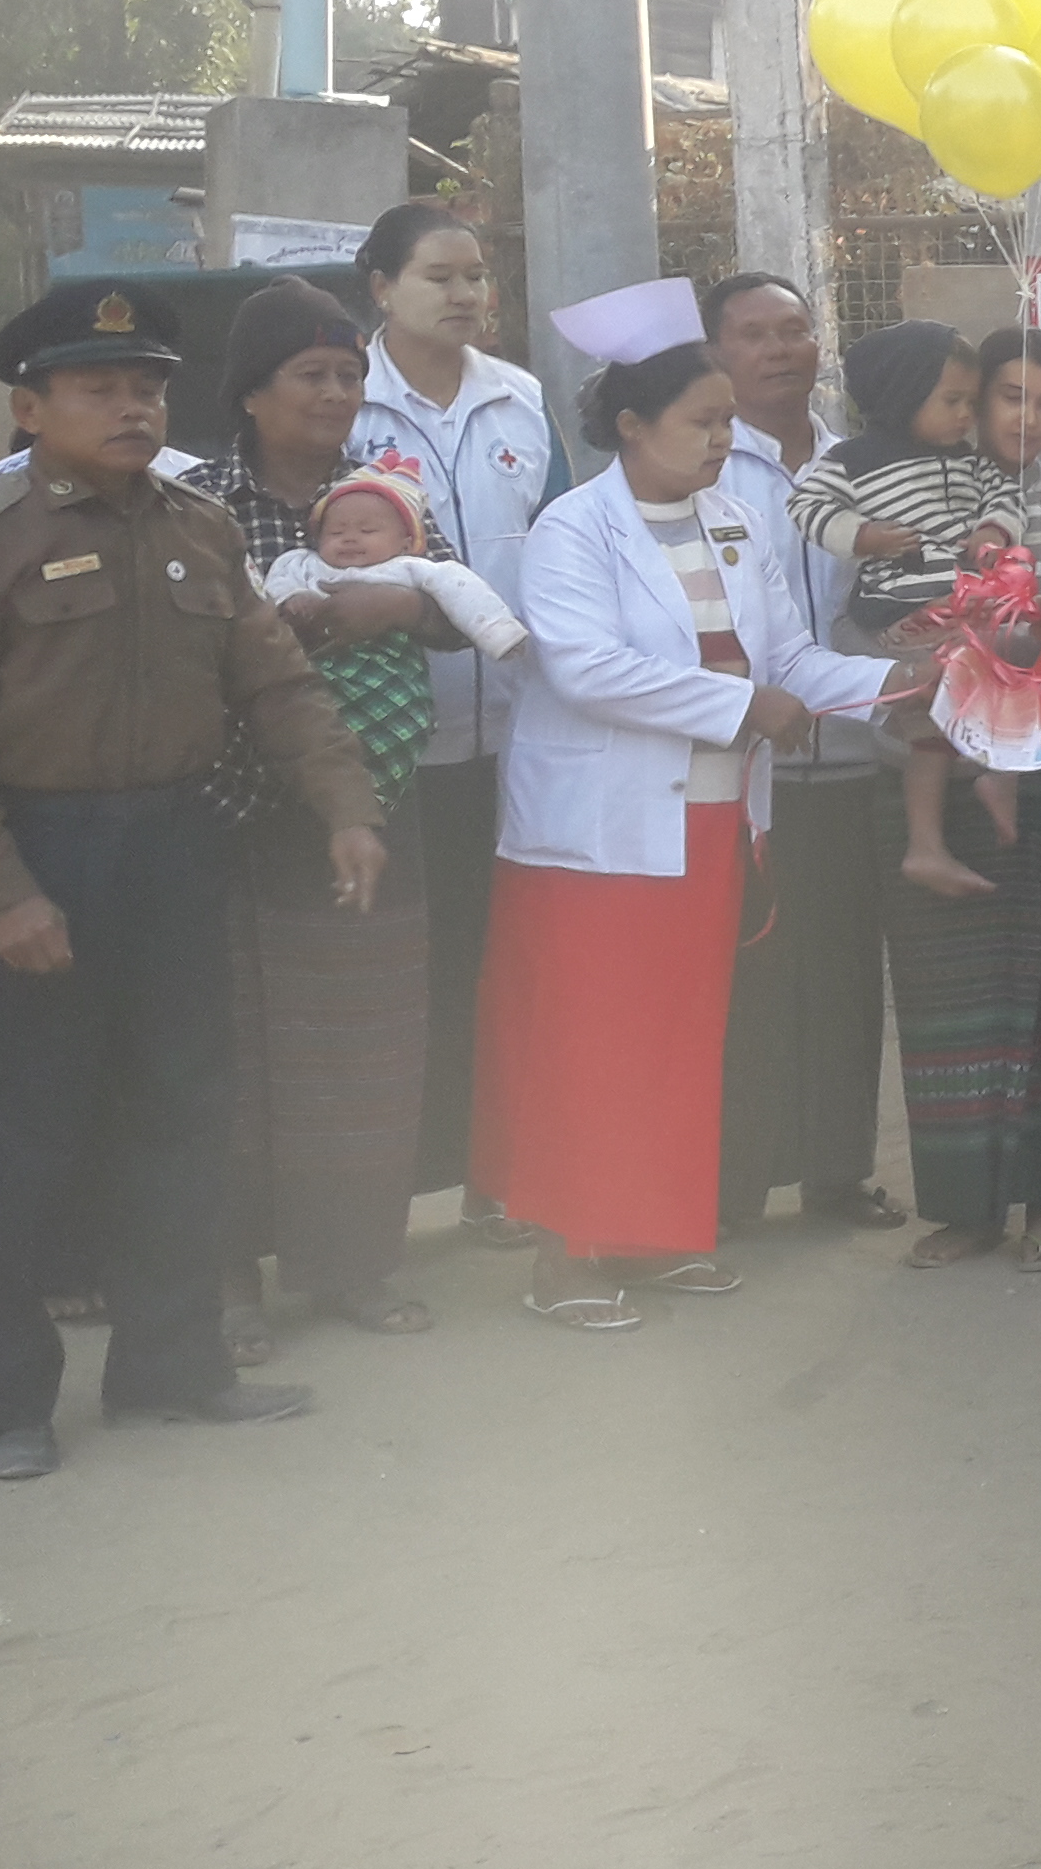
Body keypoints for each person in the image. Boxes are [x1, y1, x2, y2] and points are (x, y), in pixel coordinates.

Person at [0, 281, 387, 1477]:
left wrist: (346, 805)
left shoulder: (197, 527)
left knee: (184, 1114)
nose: (132, 409)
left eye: (148, 389)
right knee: (18, 1136)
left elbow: (276, 683)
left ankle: (172, 1365)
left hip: (171, 847)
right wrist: (4, 892)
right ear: (30, 408)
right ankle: (8, 1403)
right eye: (99, 389)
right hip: (32, 852)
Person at [473, 281, 896, 1329]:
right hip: (599, 840)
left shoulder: (738, 522)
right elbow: (586, 669)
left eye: (725, 422)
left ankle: (649, 1236)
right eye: (703, 423)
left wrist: (905, 684)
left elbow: (790, 659)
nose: (722, 441)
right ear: (632, 424)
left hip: (711, 826)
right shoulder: (573, 529)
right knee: (591, 1043)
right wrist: (742, 705)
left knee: (679, 1038)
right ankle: (565, 1258)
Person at [193, 284, 462, 1358]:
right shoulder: (199, 502)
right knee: (231, 1052)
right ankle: (227, 1279)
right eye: (311, 374)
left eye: (349, 374)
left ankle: (354, 1265)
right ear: (251, 393)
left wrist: (405, 601)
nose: (337, 393)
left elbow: (462, 607)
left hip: (373, 807)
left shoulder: (388, 490)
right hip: (234, 808)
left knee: (365, 1047)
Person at [883, 327, 1041, 1271]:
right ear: (976, 400)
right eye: (1010, 396)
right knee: (952, 1001)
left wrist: (1033, 644)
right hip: (939, 771)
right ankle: (962, 1209)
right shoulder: (916, 497)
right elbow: (887, 620)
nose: (1028, 418)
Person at [346, 200, 559, 1234]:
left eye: (477, 275)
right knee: (394, 979)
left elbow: (558, 541)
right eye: (441, 276)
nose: (467, 294)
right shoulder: (347, 406)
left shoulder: (521, 399)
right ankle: (379, 1200)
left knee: (499, 971)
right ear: (382, 288)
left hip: (514, 741)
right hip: (390, 744)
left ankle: (493, 1182)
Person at [699, 269, 905, 1236]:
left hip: (859, 747)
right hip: (748, 767)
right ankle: (734, 1185)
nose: (781, 350)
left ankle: (836, 1172)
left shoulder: (858, 461)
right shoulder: (706, 462)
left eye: (795, 330)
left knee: (846, 977)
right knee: (750, 978)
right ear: (716, 353)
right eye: (755, 335)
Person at [790, 323, 1011, 899]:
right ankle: (932, 838)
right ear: (901, 396)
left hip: (960, 603)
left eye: (971, 402)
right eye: (951, 400)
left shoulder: (968, 460)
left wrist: (992, 530)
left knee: (1004, 672)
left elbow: (1002, 495)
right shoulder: (852, 461)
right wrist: (862, 536)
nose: (966, 415)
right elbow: (806, 506)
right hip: (899, 608)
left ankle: (985, 790)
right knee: (934, 711)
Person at [260, 475, 529, 658]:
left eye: (367, 530)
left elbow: (462, 588)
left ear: (406, 544)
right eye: (336, 532)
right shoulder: (305, 564)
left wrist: (498, 632)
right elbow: (277, 582)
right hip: (318, 678)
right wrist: (292, 598)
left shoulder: (409, 568)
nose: (350, 538)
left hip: (391, 675)